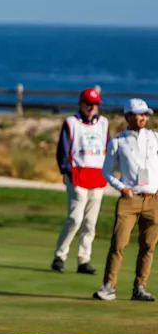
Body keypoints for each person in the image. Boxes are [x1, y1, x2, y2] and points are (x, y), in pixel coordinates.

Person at [93, 98, 158, 301]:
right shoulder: (118, 141)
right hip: (129, 200)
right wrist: (123, 188)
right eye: (139, 114)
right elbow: (107, 171)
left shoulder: (155, 137)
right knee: (119, 243)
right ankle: (109, 286)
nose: (143, 117)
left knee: (148, 246)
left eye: (145, 114)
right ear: (127, 116)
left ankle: (140, 287)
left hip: (153, 199)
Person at [51, 87, 109, 274]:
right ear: (81, 104)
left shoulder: (103, 123)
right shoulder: (71, 123)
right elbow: (63, 150)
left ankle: (84, 260)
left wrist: (109, 172)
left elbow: (108, 148)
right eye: (88, 104)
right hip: (77, 176)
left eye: (95, 104)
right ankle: (60, 256)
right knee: (75, 219)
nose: (92, 107)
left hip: (97, 178)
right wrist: (68, 172)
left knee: (90, 223)